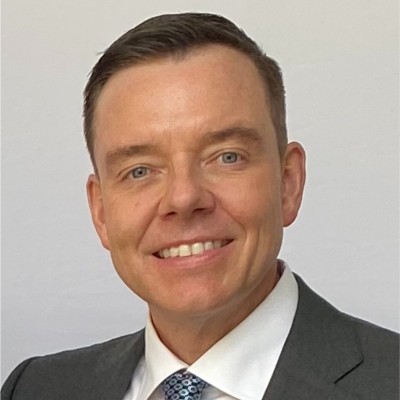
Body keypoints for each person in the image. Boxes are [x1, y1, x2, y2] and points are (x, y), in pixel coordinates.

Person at [2, 12, 398, 400]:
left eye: (227, 157)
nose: (183, 198)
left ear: (288, 183)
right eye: (140, 171)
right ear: (101, 211)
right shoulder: (35, 389)